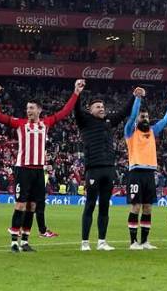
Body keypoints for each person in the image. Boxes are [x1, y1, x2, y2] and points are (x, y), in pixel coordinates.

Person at [0, 81, 80, 250]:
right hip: (23, 169)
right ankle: (13, 242)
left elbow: (64, 112)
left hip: (38, 170)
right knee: (20, 204)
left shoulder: (45, 123)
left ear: (39, 110)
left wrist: (76, 92)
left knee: (32, 206)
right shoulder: (20, 124)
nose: (29, 111)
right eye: (27, 108)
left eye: (32, 108)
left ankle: (25, 241)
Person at [73, 80, 129, 251]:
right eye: (97, 107)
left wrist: (135, 97)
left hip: (109, 169)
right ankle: (84, 243)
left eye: (102, 106)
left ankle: (102, 242)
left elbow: (123, 112)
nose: (101, 109)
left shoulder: (108, 122)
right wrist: (77, 92)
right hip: (94, 169)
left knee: (105, 206)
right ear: (90, 110)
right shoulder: (85, 121)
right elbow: (75, 110)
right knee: (90, 205)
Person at [123, 87, 167, 250]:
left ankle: (145, 242)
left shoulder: (152, 131)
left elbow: (166, 120)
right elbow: (131, 117)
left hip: (150, 173)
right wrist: (138, 99)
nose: (145, 118)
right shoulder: (130, 131)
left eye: (146, 116)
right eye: (142, 116)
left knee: (148, 207)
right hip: (136, 172)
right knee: (136, 207)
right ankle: (133, 242)